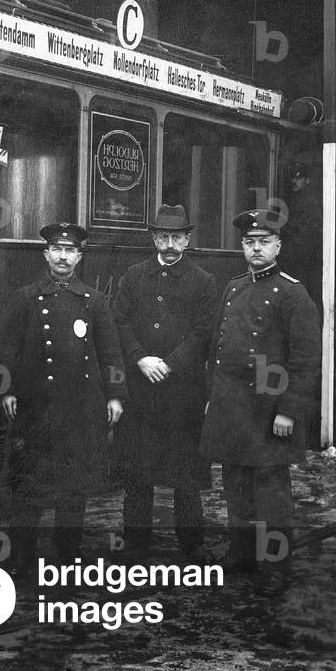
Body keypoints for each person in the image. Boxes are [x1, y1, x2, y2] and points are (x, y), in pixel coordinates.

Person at [198, 208, 320, 586]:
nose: (256, 249)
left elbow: (304, 359)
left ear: (278, 245)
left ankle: (276, 563)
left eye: (264, 242)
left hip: (269, 406)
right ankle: (241, 554)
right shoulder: (234, 287)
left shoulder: (293, 293)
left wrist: (288, 411)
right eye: (250, 243)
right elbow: (217, 346)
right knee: (235, 482)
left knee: (270, 489)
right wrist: (212, 396)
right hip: (232, 403)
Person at [0, 223, 127, 569]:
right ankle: (21, 561)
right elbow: (6, 349)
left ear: (79, 256)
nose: (63, 257)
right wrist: (5, 389)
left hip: (79, 411)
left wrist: (115, 395)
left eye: (70, 251)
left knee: (73, 488)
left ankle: (68, 558)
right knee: (27, 489)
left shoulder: (94, 301)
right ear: (46, 254)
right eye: (56, 250)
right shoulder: (25, 298)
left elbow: (111, 352)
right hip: (34, 409)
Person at [112, 204, 217, 560]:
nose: (170, 244)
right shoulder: (134, 275)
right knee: (138, 476)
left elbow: (205, 333)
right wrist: (140, 357)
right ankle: (135, 545)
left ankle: (193, 545)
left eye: (177, 237)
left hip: (182, 393)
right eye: (163, 236)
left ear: (187, 240)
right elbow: (119, 321)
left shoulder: (203, 281)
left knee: (185, 477)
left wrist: (170, 364)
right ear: (154, 238)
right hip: (141, 392)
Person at [276, 160, 322, 306]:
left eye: (299, 177)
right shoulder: (297, 198)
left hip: (303, 259)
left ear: (307, 179)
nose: (294, 181)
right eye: (293, 177)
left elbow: (307, 231)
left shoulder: (309, 200)